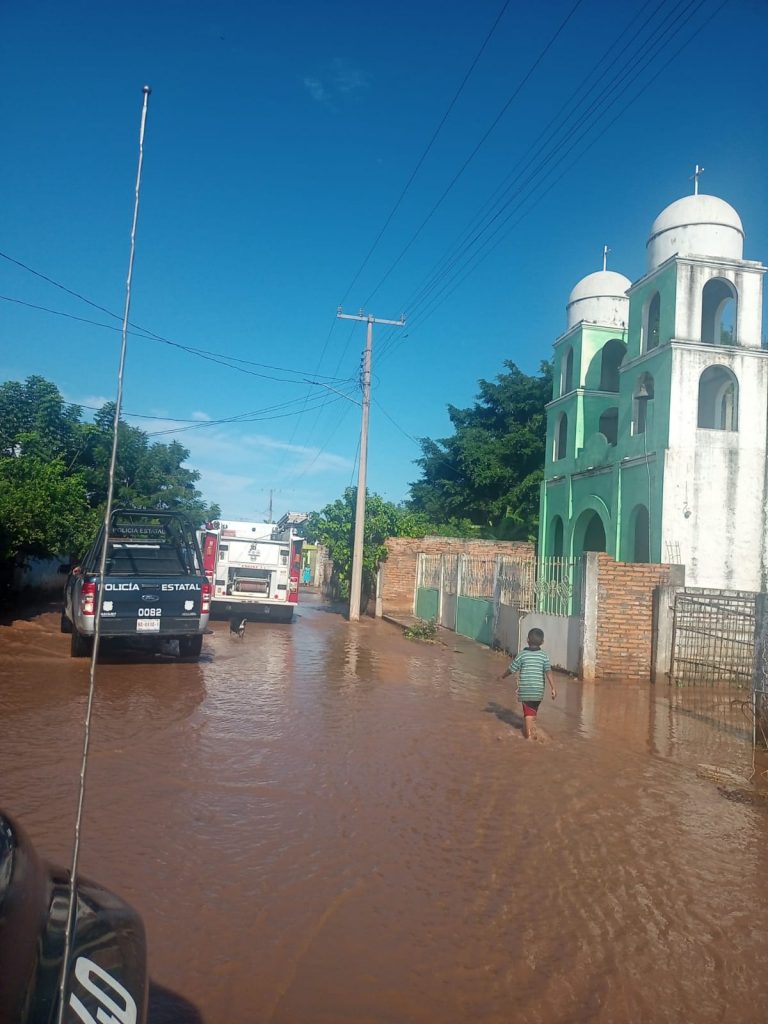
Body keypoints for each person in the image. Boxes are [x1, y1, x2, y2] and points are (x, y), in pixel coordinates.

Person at [501, 627, 556, 739]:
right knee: (532, 713)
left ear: (527, 640)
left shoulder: (522, 654)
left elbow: (511, 669)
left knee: (527, 715)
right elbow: (548, 672)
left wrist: (502, 676)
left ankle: (528, 738)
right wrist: (553, 688)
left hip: (526, 691)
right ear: (542, 642)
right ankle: (532, 731)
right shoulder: (543, 655)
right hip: (538, 692)